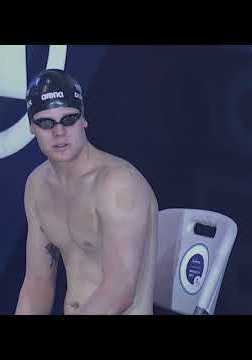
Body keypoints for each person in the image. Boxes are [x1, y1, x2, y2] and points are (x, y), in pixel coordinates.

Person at [15, 69, 158, 315]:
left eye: (68, 119)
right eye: (46, 123)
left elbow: (120, 290)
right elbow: (37, 285)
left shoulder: (118, 184)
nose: (59, 132)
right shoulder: (38, 185)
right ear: (31, 127)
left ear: (83, 120)